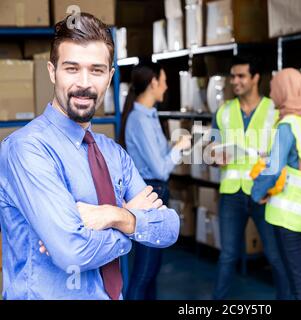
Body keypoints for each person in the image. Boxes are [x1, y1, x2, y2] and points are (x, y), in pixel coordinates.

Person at [0, 13, 179, 300]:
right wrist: (131, 224)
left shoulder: (113, 153)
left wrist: (112, 215)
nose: (84, 83)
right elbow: (72, 252)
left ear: (109, 77)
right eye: (72, 68)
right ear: (52, 71)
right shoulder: (27, 149)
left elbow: (170, 227)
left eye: (96, 70)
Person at [210, 55, 291, 300]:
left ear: (255, 78)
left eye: (241, 76)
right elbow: (212, 148)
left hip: (263, 192)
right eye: (232, 76)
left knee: (276, 255)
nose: (235, 81)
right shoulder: (223, 111)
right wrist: (215, 156)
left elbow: (282, 152)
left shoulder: (273, 111)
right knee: (228, 256)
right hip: (232, 193)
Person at [251, 68, 301, 300]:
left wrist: (257, 193)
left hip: (286, 214)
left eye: (275, 88)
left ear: (284, 91)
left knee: (295, 277)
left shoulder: (287, 126)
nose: (272, 93)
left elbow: (274, 169)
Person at [119, 62, 191, 300]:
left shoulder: (149, 116)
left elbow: (159, 157)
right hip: (150, 193)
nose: (167, 86)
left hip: (157, 192)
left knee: (152, 270)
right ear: (153, 83)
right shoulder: (139, 120)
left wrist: (176, 148)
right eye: (164, 80)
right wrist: (179, 147)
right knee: (145, 271)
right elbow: (160, 168)